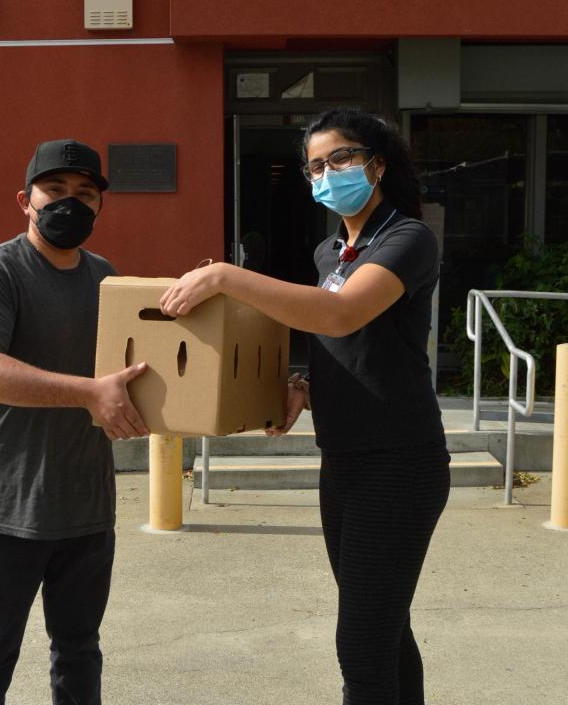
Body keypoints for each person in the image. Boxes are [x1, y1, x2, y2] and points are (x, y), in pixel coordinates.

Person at [160, 108, 450, 705]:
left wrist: (224, 276)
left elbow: (341, 315)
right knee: (386, 633)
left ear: (377, 163)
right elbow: (356, 344)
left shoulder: (406, 239)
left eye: (340, 158)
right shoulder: (329, 254)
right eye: (315, 165)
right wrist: (303, 387)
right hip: (343, 459)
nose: (326, 172)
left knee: (362, 646)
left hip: (399, 463)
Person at [0, 138, 149, 705]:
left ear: (101, 206)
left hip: (85, 506)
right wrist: (89, 394)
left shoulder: (105, 277)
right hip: (6, 508)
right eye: (55, 191)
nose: (71, 204)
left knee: (79, 653)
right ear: (25, 200)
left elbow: (129, 369)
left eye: (85, 194)